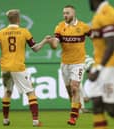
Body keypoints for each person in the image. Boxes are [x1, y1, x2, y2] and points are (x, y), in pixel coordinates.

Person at [0, 9, 48, 127]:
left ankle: (5, 120)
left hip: (5, 67)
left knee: (7, 92)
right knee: (30, 92)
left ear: (9, 19)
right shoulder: (24, 32)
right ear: (18, 19)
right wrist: (45, 41)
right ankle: (35, 121)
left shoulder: (0, 33)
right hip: (18, 67)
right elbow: (35, 48)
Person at [46, 5, 91, 125]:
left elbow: (95, 38)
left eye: (67, 13)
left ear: (73, 14)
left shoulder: (83, 27)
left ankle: (73, 117)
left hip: (79, 63)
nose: (65, 15)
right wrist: (51, 43)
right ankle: (77, 105)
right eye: (64, 13)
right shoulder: (60, 27)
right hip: (65, 63)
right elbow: (55, 46)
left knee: (75, 87)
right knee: (70, 91)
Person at [88, 0, 114, 129]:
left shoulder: (107, 13)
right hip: (101, 65)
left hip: (110, 67)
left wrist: (99, 68)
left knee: (111, 109)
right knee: (97, 101)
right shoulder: (98, 14)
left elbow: (111, 44)